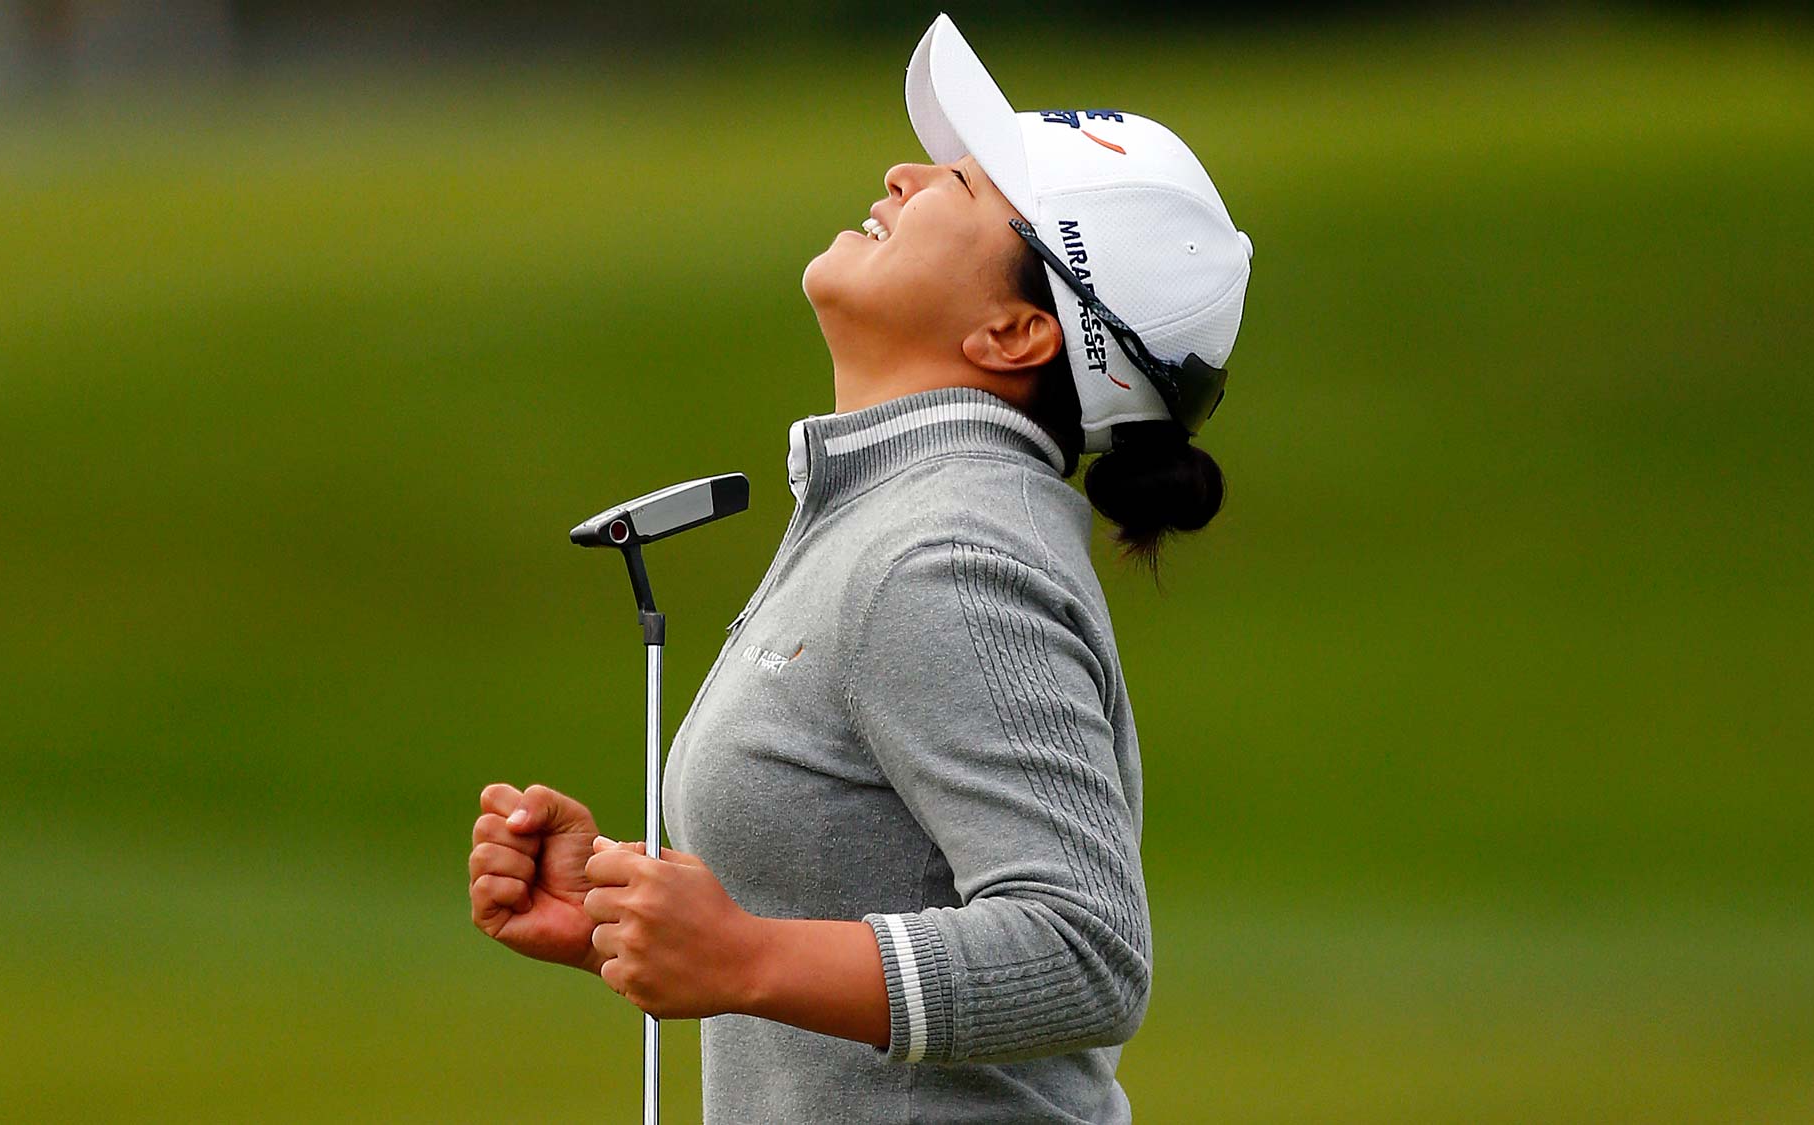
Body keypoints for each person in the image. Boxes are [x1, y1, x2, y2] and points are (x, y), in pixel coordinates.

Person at [465, 14, 1252, 1123]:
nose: (901, 173)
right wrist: (622, 905)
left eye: (962, 187)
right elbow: (862, 877)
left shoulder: (944, 553)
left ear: (1017, 333)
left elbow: (1083, 950)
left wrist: (741, 958)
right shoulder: (888, 517)